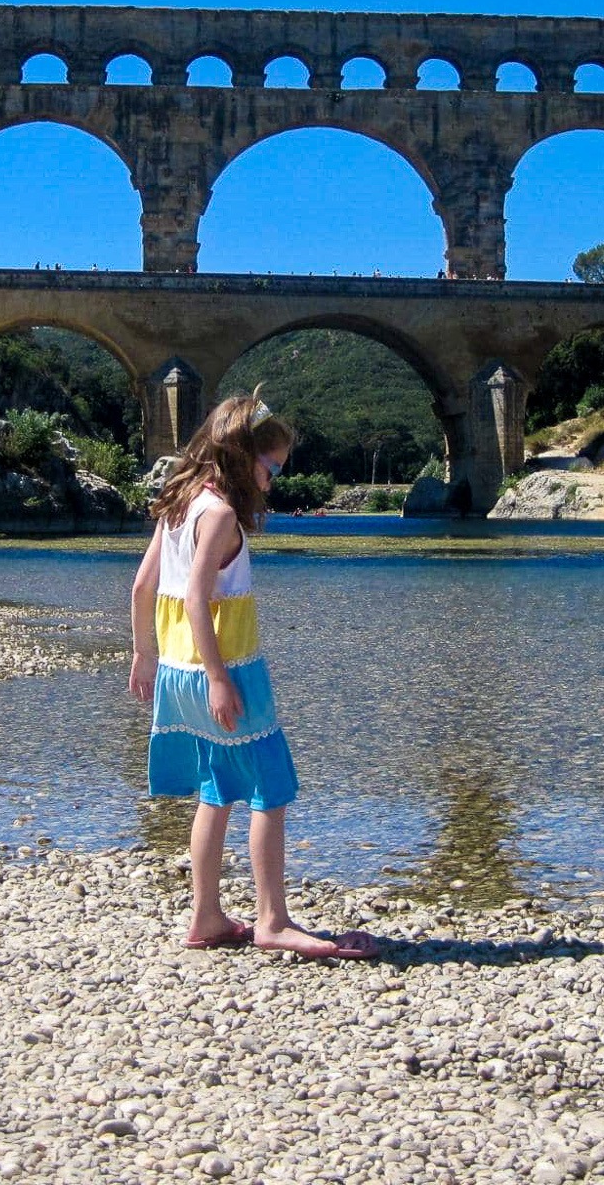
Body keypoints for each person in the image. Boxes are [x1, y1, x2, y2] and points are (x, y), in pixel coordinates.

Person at [127, 394, 377, 960]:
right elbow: (195, 597)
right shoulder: (218, 514)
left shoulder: (181, 503)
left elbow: (143, 587)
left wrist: (143, 655)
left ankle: (208, 916)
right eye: (273, 467)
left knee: (216, 790)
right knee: (270, 786)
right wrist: (219, 678)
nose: (275, 479)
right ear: (243, 457)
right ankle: (273, 919)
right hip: (227, 667)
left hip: (175, 670)